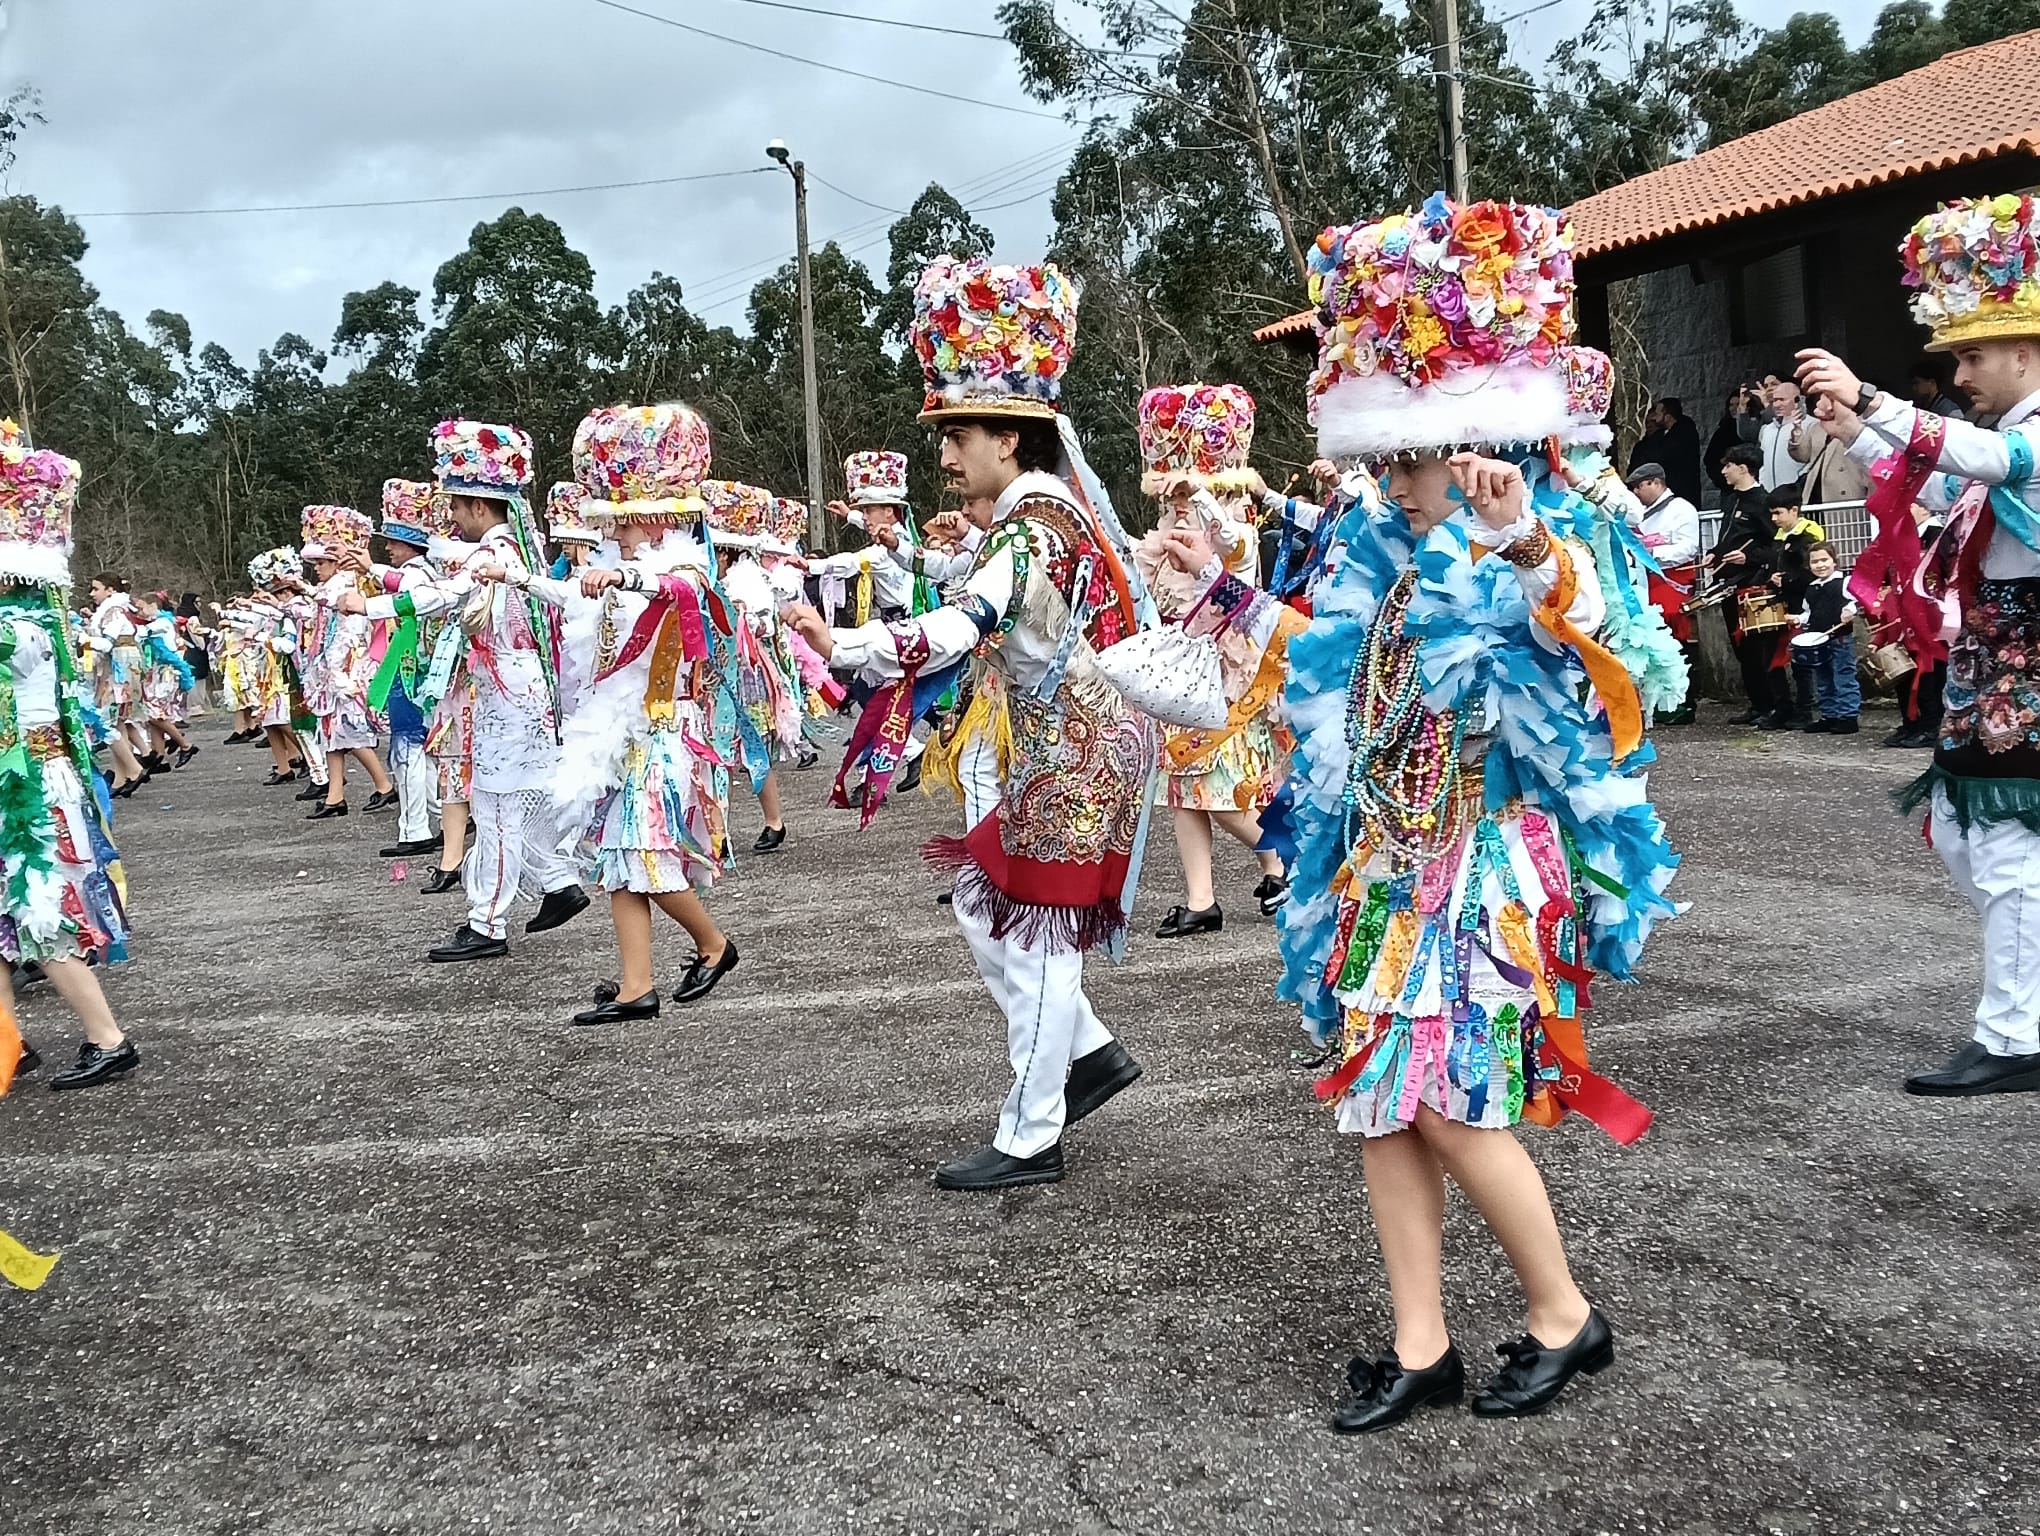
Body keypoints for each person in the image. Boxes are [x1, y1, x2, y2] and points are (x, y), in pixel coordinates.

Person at [1250, 197, 1673, 1432]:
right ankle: (1420, 1341)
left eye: (1411, 457)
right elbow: (1335, 682)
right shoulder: (1383, 555)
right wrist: (1224, 599)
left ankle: (1565, 1315)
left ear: (1479, 441)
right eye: (1386, 459)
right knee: (1380, 1101)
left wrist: (1520, 537)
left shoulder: (1537, 535)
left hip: (1483, 866)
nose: (1391, 481)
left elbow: (1595, 642)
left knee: (1445, 1097)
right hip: (1389, 863)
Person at [789, 256, 1153, 1193]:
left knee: (1037, 940)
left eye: (957, 435)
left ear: (1009, 437)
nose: (946, 457)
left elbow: (965, 622)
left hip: (1073, 753)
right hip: (1062, 744)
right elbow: (967, 586)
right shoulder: (1037, 516)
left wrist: (842, 645)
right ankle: (1091, 1057)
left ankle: (1032, 1134)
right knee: (985, 906)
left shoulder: (1036, 525)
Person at [1796, 191, 2040, 1096]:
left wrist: (1874, 399)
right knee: (1971, 842)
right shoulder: (2002, 440)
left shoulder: (2025, 439)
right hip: (1993, 667)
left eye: (1973, 355)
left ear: (2026, 351)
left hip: (2027, 668)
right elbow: (1946, 495)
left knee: (2006, 852)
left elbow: (1983, 463)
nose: (1961, 371)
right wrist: (1860, 434)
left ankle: (2013, 1035)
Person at [487, 404, 740, 1022]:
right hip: (621, 735)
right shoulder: (620, 568)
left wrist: (624, 578)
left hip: (661, 733)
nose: (614, 533)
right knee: (620, 863)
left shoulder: (682, 565)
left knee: (646, 855)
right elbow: (576, 596)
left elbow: (677, 592)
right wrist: (517, 578)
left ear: (656, 519)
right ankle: (636, 987)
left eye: (622, 523)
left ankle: (714, 945)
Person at [343, 419, 590, 962]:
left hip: (506, 695)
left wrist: (370, 606)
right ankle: (557, 881)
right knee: (519, 798)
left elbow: (441, 594)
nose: (452, 517)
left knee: (495, 804)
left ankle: (488, 921)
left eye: (456, 506)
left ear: (479, 506)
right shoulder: (521, 546)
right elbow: (446, 564)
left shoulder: (491, 556)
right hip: (525, 690)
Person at [0, 425, 140, 1092]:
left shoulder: (15, 628)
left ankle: (109, 1040)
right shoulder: (36, 619)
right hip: (26, 775)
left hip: (28, 786)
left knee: (40, 915)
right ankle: (9, 1043)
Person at [1129, 383, 1291, 936]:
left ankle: (1283, 859)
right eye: (1172, 498)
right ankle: (1203, 899)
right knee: (1182, 790)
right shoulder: (1160, 544)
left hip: (1228, 680)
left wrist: (1200, 495)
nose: (1179, 505)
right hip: (1180, 678)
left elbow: (1227, 544)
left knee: (1220, 793)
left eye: (1190, 496)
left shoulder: (1235, 533)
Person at [348, 478, 448, 859]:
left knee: (408, 748)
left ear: (411, 543)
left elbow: (408, 589)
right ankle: (430, 819)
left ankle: (416, 827)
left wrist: (371, 569)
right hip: (415, 669)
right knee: (416, 749)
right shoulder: (425, 572)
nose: (387, 548)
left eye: (392, 541)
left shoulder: (420, 573)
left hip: (414, 671)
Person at [288, 505, 398, 820]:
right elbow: (314, 614)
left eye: (322, 562)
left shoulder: (348, 585)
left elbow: (345, 627)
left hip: (347, 670)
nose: (317, 569)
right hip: (330, 670)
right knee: (332, 735)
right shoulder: (329, 588)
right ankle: (336, 796)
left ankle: (384, 785)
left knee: (350, 732)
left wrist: (338, 672)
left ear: (338, 562)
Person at [1702, 443, 1786, 724]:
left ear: (1743, 468)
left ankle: (1773, 704)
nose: (1724, 471)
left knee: (1758, 647)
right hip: (1728, 582)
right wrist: (1715, 552)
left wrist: (1749, 557)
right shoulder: (1730, 499)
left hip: (1752, 583)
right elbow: (1729, 537)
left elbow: (1775, 544)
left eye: (1728, 466)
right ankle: (1758, 703)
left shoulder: (1762, 501)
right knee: (1740, 648)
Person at [1621, 461, 1700, 658]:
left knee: (1667, 623)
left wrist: (1650, 554)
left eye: (1639, 486)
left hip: (1671, 578)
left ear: (1656, 483)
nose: (1635, 492)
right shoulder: (1636, 513)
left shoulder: (1681, 509)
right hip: (1640, 580)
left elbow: (1688, 549)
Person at [1762, 484, 1825, 729]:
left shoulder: (1808, 538)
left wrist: (1787, 580)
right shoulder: (1779, 539)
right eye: (1772, 514)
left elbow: (1812, 574)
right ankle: (1783, 707)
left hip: (1801, 606)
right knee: (1772, 658)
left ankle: (1805, 709)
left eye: (1778, 513)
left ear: (1794, 510)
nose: (1774, 519)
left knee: (1801, 660)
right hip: (1780, 605)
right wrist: (1771, 579)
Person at [1793, 541, 1860, 734]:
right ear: (1809, 565)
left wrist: (1849, 610)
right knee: (1823, 678)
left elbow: (1857, 600)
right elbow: (1808, 613)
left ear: (1834, 561)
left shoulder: (1845, 581)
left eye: (1824, 560)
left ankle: (1848, 716)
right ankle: (1829, 715)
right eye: (1815, 562)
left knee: (1843, 676)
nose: (1820, 565)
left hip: (1839, 638)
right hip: (1818, 640)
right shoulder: (1811, 588)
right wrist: (1797, 619)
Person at [1631, 398, 1702, 507]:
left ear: (1668, 417)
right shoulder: (1663, 435)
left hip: (1682, 492)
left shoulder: (1683, 434)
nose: (1654, 418)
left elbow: (1661, 456)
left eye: (1657, 414)